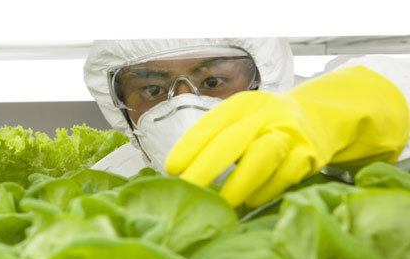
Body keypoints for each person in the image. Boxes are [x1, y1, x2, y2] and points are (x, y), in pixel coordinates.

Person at [83, 38, 410, 207]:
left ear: (264, 80)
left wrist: (377, 104)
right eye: (153, 89)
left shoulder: (316, 133)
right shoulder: (109, 184)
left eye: (213, 82)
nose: (184, 104)